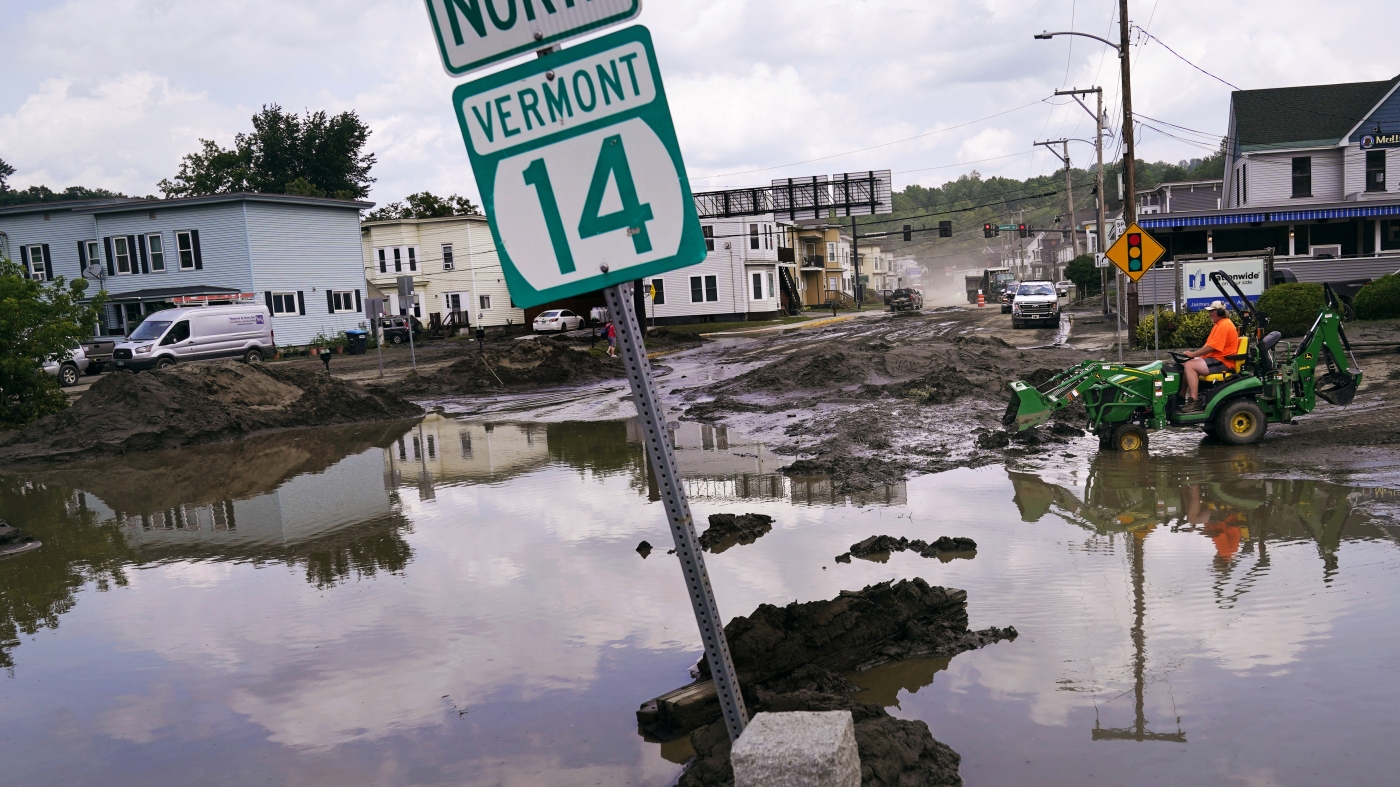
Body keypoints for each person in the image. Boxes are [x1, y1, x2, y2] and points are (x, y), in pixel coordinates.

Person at [1178, 300, 1240, 413]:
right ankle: (1180, 397)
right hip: (1216, 358)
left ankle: (1194, 401)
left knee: (1190, 366)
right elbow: (1209, 345)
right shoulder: (1219, 324)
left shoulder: (1224, 325)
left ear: (1220, 312)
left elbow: (1212, 347)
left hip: (1223, 362)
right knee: (1184, 364)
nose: (1209, 314)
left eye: (1212, 311)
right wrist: (1195, 356)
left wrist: (1193, 354)